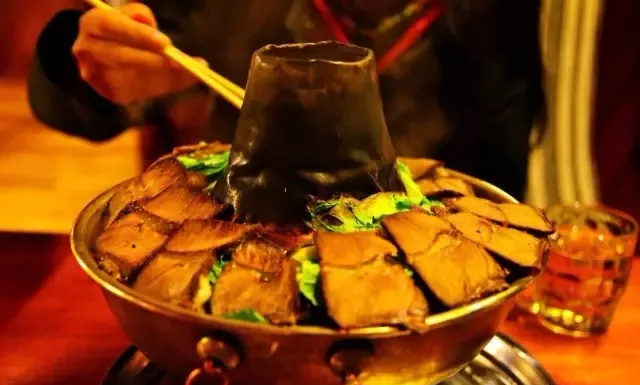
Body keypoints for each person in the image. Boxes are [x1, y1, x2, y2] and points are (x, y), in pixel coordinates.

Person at [27, 0, 544, 201]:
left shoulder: (495, 18)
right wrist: (89, 64)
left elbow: (496, 191)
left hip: (416, 302)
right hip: (243, 240)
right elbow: (58, 104)